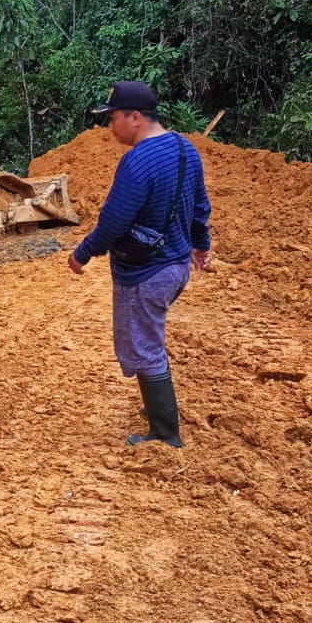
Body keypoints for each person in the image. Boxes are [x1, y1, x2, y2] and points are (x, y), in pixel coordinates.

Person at [66, 81, 213, 448]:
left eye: (112, 117)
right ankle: (157, 408)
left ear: (135, 117)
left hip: (146, 273)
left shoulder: (138, 160)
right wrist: (201, 245)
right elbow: (199, 207)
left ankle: (165, 434)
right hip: (175, 268)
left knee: (144, 347)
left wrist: (82, 252)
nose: (109, 126)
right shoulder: (185, 149)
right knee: (148, 340)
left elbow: (114, 221)